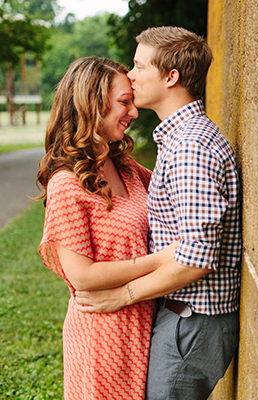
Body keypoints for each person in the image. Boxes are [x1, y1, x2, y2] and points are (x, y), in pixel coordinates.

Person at [75, 27, 242, 400]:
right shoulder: (179, 140)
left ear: (171, 77)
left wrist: (123, 296)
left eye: (138, 66)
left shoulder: (190, 148)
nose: (130, 75)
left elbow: (196, 257)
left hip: (193, 321)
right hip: (185, 318)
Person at [37, 56, 176, 399]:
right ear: (93, 105)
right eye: (124, 102)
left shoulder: (126, 167)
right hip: (103, 334)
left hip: (145, 324)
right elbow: (82, 275)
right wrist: (161, 260)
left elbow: (173, 190)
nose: (133, 112)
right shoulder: (66, 184)